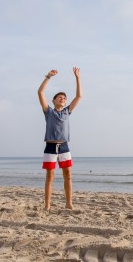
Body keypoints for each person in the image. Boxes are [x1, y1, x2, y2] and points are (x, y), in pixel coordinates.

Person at [37, 67, 82, 212]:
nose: (63, 99)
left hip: (64, 147)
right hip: (50, 147)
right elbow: (40, 92)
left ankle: (69, 203)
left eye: (64, 98)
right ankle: (47, 205)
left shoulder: (67, 111)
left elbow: (79, 96)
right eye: (60, 98)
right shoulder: (48, 111)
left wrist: (77, 78)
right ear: (54, 100)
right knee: (50, 177)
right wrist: (48, 77)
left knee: (68, 176)